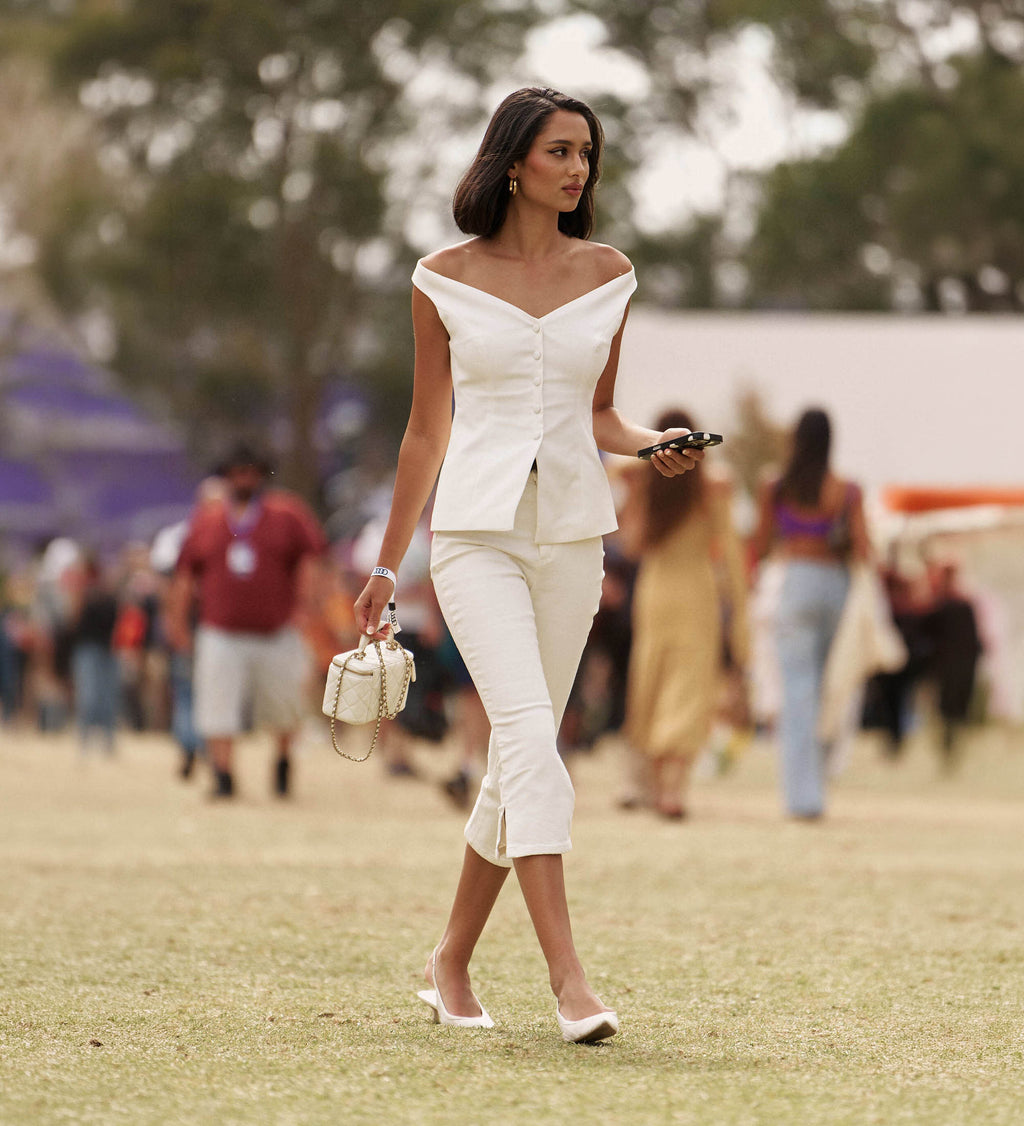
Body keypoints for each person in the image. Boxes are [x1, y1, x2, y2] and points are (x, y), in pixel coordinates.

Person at [352, 87, 701, 1043]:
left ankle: (450, 961)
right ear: (514, 162)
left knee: (521, 758)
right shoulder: (442, 277)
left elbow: (600, 416)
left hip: (573, 540)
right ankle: (571, 983)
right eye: (559, 150)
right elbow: (426, 433)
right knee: (529, 741)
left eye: (586, 151)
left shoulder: (611, 273)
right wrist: (389, 565)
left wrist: (649, 443)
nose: (578, 167)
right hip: (474, 538)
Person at [164, 442, 328, 799]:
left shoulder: (287, 514)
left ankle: (283, 764)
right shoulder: (207, 521)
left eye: (251, 472)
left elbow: (311, 560)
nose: (244, 479)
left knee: (284, 704)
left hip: (276, 629)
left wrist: (307, 607)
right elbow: (185, 576)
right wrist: (177, 623)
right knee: (217, 704)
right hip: (221, 630)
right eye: (238, 472)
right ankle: (223, 774)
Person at [618, 408, 750, 820]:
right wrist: (741, 613)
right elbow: (730, 555)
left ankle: (658, 787)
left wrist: (637, 479)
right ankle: (672, 790)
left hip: (655, 593)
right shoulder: (713, 488)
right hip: (697, 595)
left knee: (653, 683)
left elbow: (631, 546)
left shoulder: (646, 484)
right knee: (689, 688)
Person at [751, 407, 870, 819]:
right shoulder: (847, 490)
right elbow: (864, 549)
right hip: (834, 586)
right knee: (827, 689)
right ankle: (818, 784)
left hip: (794, 583)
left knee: (796, 693)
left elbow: (760, 544)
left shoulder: (776, 487)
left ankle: (803, 797)